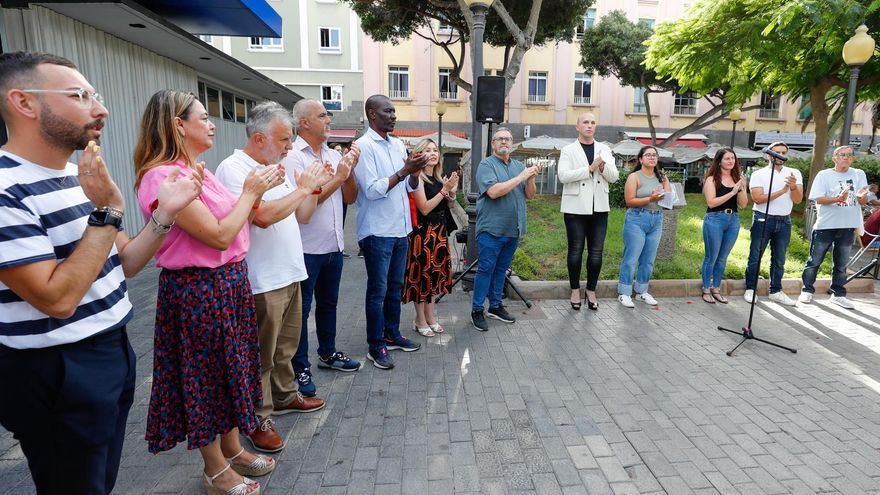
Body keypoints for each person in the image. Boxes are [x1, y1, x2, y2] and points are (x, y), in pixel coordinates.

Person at [0, 51, 202, 495]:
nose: (101, 108)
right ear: (24, 102)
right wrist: (108, 211)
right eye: (79, 95)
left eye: (97, 95)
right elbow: (56, 299)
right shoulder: (6, 188)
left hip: (112, 345)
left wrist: (165, 214)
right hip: (56, 366)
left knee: (98, 479)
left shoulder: (78, 177)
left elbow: (126, 263)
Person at [134, 90, 283, 495]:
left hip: (227, 285)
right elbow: (219, 235)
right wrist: (251, 193)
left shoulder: (197, 168)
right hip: (199, 290)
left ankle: (233, 449)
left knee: (230, 372)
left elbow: (232, 220)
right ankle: (214, 469)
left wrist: (258, 190)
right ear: (178, 125)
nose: (213, 122)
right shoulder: (164, 176)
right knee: (205, 380)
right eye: (203, 117)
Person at [215, 101, 331, 454]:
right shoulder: (235, 168)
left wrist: (312, 187)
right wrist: (301, 189)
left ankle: (284, 396)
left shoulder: (273, 168)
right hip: (261, 279)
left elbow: (299, 214)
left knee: (286, 348)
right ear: (260, 137)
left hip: (289, 272)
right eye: (284, 139)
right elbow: (262, 216)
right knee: (261, 355)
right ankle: (258, 416)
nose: (290, 147)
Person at [286, 99, 362, 395]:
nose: (328, 121)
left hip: (334, 245)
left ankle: (328, 353)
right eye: (322, 116)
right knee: (301, 312)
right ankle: (300, 367)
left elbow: (351, 198)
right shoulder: (293, 157)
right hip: (306, 248)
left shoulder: (332, 153)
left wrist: (349, 171)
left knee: (329, 304)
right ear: (304, 122)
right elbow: (306, 202)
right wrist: (339, 176)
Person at [354, 95, 426, 369]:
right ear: (372, 114)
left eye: (394, 111)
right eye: (388, 111)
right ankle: (376, 344)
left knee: (395, 287)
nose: (394, 116)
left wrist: (414, 172)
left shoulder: (397, 144)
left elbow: (408, 186)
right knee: (378, 290)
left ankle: (392, 333)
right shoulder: (362, 147)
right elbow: (372, 190)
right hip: (376, 232)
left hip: (400, 229)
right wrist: (404, 169)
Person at [470, 127, 539, 331]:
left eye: (508, 139)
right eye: (499, 139)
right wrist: (521, 176)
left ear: (512, 143)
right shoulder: (486, 164)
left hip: (513, 229)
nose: (504, 142)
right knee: (485, 269)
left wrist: (531, 177)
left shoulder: (518, 165)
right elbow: (493, 192)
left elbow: (530, 195)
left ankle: (496, 306)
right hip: (492, 229)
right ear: (493, 144)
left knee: (501, 270)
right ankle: (476, 310)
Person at [557, 112, 619, 311]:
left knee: (596, 253)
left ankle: (591, 290)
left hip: (599, 207)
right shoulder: (568, 150)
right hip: (575, 207)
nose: (589, 126)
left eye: (593, 122)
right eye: (585, 122)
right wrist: (589, 168)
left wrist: (602, 169)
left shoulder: (604, 148)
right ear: (577, 126)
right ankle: (575, 289)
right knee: (575, 251)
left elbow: (615, 176)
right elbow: (563, 176)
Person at [798, 146, 869, 309]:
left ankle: (838, 294)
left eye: (849, 155)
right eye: (842, 155)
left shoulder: (859, 174)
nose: (846, 158)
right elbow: (817, 199)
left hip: (848, 226)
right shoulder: (824, 175)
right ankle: (807, 290)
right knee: (814, 261)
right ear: (834, 158)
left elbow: (863, 201)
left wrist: (861, 197)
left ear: (853, 159)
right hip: (826, 225)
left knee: (842, 264)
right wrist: (838, 198)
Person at [402, 138, 459, 336]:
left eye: (435, 150)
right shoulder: (416, 179)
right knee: (421, 278)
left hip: (439, 232)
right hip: (422, 234)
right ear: (418, 154)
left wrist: (452, 191)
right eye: (427, 150)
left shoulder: (438, 177)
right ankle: (419, 319)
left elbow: (449, 206)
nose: (433, 153)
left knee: (434, 277)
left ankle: (430, 316)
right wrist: (445, 190)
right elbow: (424, 209)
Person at [742, 141, 803, 306]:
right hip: (763, 218)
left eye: (784, 152)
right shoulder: (759, 174)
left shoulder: (794, 172)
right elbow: (757, 199)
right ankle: (750, 289)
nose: (781, 156)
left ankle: (776, 290)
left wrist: (792, 187)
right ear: (769, 155)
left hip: (784, 220)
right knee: (756, 255)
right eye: (777, 152)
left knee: (779, 258)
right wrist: (782, 191)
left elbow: (797, 200)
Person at [617, 145, 672, 308]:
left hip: (657, 219)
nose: (652, 157)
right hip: (637, 218)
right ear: (640, 159)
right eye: (648, 155)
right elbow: (629, 201)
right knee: (631, 258)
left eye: (654, 155)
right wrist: (650, 199)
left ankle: (641, 291)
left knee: (648, 260)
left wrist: (664, 183)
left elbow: (667, 200)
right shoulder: (634, 177)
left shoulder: (662, 177)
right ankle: (624, 293)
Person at [700, 148, 748, 304]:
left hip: (733, 219)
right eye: (727, 158)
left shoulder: (738, 179)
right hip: (715, 218)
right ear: (719, 161)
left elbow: (743, 205)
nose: (731, 161)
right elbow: (711, 202)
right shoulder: (712, 179)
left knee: (722, 258)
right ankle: (706, 289)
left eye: (733, 158)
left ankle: (716, 288)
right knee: (711, 257)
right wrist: (732, 192)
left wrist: (742, 188)